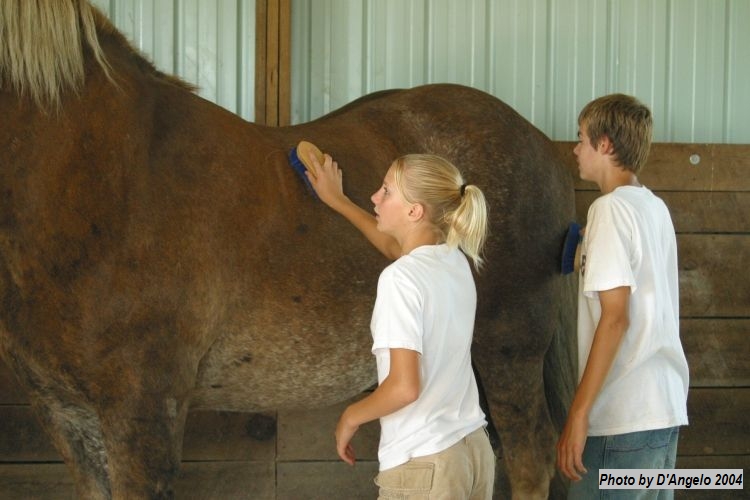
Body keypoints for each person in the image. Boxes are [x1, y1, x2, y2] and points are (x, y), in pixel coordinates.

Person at [306, 152, 495, 499]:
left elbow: (405, 387)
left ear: (415, 211)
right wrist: (339, 201)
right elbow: (398, 248)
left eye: (386, 191)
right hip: (473, 452)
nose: (375, 198)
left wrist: (350, 416)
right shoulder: (454, 260)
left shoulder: (399, 279)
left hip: (424, 464)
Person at [556, 94, 689, 499]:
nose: (576, 149)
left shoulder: (610, 210)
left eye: (581, 139)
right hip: (662, 409)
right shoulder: (654, 207)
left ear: (606, 144)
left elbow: (616, 318)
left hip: (621, 417)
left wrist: (578, 414)